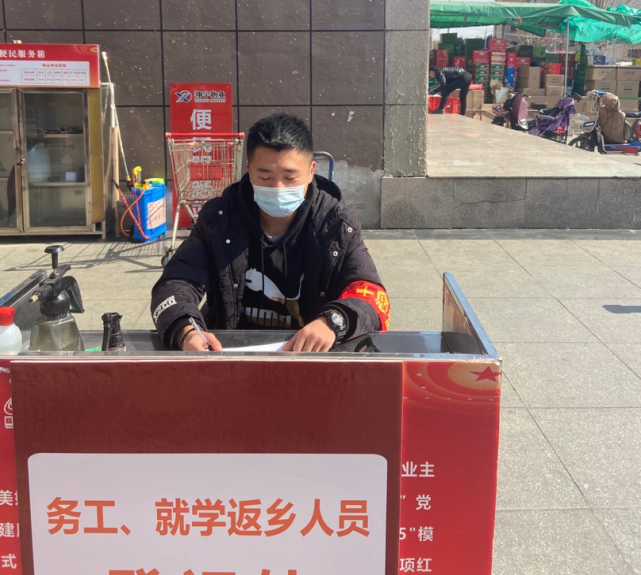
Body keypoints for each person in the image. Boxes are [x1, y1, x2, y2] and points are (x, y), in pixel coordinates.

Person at [151, 113, 390, 352]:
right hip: (230, 354)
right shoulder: (219, 219)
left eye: (290, 177)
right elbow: (176, 282)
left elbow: (371, 293)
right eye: (264, 177)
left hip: (309, 357)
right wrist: (185, 330)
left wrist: (333, 322)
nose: (277, 187)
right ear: (249, 170)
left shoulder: (336, 224)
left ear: (311, 171)